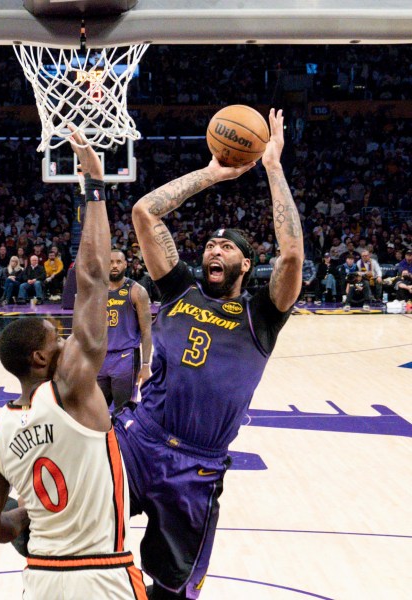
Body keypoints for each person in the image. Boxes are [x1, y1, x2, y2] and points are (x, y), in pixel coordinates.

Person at [113, 108, 303, 599]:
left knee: (174, 590)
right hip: (141, 439)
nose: (214, 250)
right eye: (211, 244)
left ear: (246, 262)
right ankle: (1, 511)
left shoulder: (262, 315)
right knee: (71, 509)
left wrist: (273, 168)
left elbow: (292, 255)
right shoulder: (180, 292)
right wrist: (214, 174)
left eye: (228, 246)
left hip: (196, 467)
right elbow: (144, 213)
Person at [0, 132, 146, 598]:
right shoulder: (70, 390)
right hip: (103, 574)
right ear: (41, 359)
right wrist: (95, 190)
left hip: (41, 578)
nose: (67, 341)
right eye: (58, 338)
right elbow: (91, 280)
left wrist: (22, 518)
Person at [97, 249, 153, 414]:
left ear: (125, 264)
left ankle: (122, 440)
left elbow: (147, 330)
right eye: (110, 262)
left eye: (118, 262)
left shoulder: (137, 291)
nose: (114, 266)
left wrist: (145, 365)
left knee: (123, 411)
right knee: (96, 410)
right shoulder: (97, 291)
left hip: (125, 357)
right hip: (100, 358)